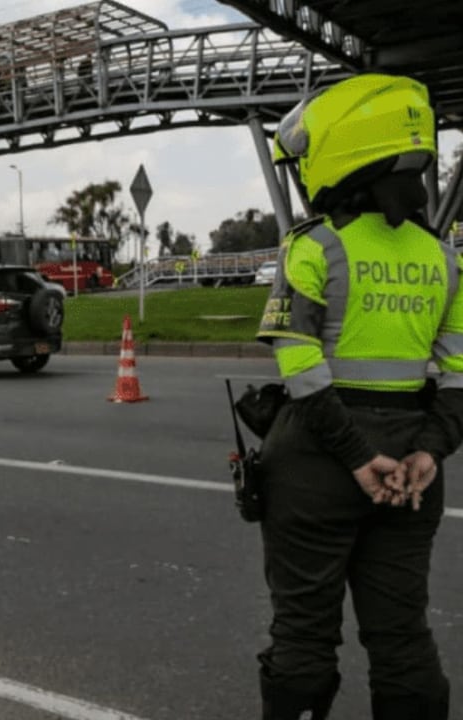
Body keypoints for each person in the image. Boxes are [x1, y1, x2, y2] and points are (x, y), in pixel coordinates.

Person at [254, 74, 457, 719]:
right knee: (402, 637)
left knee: (304, 636)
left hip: (319, 461)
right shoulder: (443, 258)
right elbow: (459, 372)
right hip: (413, 472)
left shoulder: (313, 245)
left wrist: (356, 456)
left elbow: (300, 365)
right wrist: (429, 450)